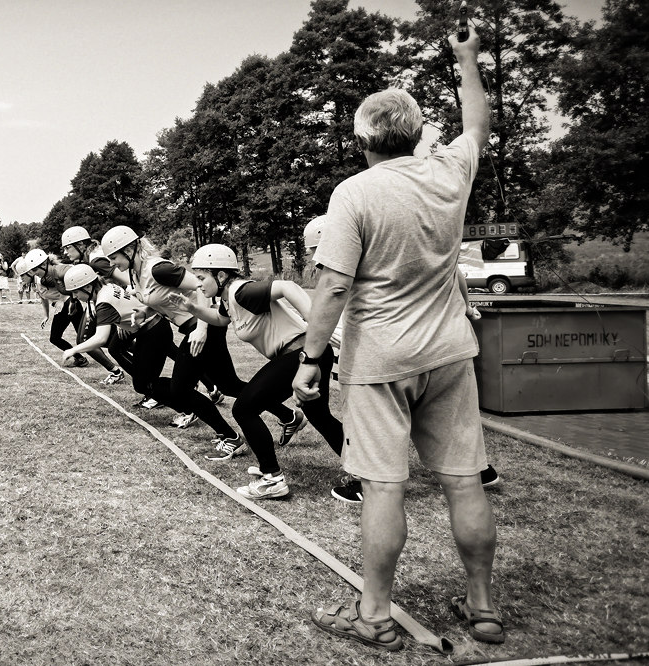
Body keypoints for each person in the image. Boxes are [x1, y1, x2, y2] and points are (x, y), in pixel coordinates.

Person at [296, 26, 503, 650]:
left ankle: (375, 616)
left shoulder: (351, 194)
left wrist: (310, 362)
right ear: (416, 135)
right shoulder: (450, 173)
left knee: (384, 487)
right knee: (464, 479)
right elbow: (476, 126)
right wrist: (467, 59)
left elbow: (332, 290)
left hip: (380, 359)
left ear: (361, 138)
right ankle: (483, 607)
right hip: (449, 353)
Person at [302, 215, 499, 503]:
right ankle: (479, 472)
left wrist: (311, 356)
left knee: (371, 419)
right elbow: (454, 272)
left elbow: (335, 292)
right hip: (442, 344)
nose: (310, 257)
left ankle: (363, 482)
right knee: (449, 421)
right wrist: (467, 308)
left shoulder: (346, 263)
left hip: (386, 350)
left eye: (311, 250)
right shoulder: (400, 246)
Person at [175, 244, 344, 500]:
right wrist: (194, 310)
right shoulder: (227, 299)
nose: (198, 285)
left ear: (220, 275)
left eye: (201, 278)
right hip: (305, 355)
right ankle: (364, 471)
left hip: (299, 355)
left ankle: (272, 478)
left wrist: (317, 322)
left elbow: (288, 287)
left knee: (244, 408)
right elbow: (221, 320)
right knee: (320, 417)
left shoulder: (241, 291)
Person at [100, 225, 241, 454]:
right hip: (195, 328)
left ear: (130, 249)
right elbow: (158, 300)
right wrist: (143, 312)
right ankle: (288, 416)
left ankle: (230, 436)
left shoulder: (158, 269)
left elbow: (200, 287)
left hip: (202, 328)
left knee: (181, 390)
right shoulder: (136, 274)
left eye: (114, 257)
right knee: (229, 384)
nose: (113, 263)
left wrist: (202, 328)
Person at [19, 249, 122, 381]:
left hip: (98, 302)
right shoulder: (49, 276)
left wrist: (91, 303)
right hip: (82, 304)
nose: (33, 274)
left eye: (33, 270)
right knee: (106, 339)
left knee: (90, 340)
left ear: (43, 264)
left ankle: (117, 370)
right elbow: (72, 289)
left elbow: (89, 278)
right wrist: (72, 301)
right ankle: (125, 362)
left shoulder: (61, 271)